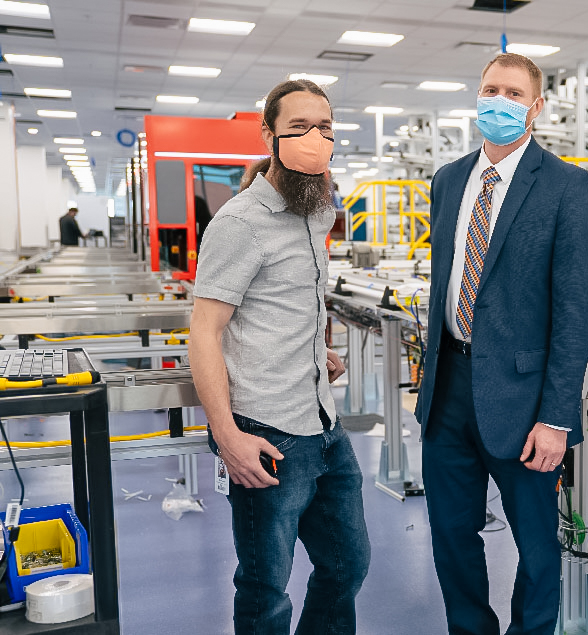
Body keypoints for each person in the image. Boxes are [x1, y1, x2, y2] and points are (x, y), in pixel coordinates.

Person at [414, 52, 588, 635]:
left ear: (536, 107)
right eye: (490, 90)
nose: (499, 101)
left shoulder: (567, 185)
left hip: (524, 399)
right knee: (450, 536)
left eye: (513, 94)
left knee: (537, 547)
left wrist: (556, 417)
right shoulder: (447, 181)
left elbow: (576, 311)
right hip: (447, 388)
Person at [189, 79, 370, 635]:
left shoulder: (319, 209)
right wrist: (227, 437)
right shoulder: (240, 223)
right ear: (269, 134)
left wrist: (319, 349)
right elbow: (204, 332)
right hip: (267, 430)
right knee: (266, 587)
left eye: (325, 129)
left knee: (347, 565)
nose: (315, 140)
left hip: (324, 422)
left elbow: (295, 297)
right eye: (298, 128)